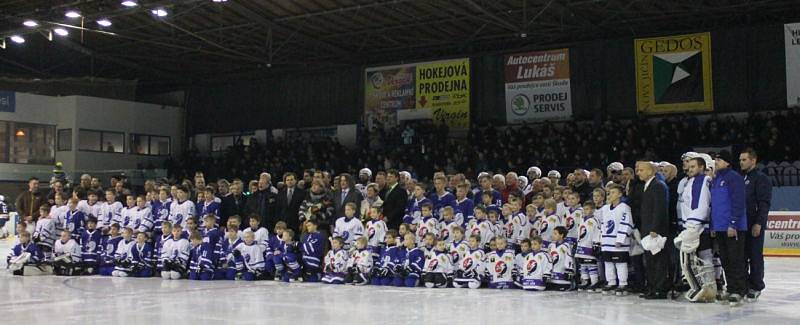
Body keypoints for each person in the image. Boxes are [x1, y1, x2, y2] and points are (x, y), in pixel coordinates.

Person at [675, 156, 716, 302]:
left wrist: (693, 225)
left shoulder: (702, 181)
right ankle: (704, 287)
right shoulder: (691, 182)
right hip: (692, 226)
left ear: (701, 167)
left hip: (698, 227)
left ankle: (709, 287)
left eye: (693, 166)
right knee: (697, 259)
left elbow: (702, 204)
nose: (690, 169)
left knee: (704, 257)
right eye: (689, 166)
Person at [711, 150, 748, 306]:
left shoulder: (734, 178)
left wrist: (733, 223)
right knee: (725, 260)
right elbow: (714, 205)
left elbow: (738, 202)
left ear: (727, 162)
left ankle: (740, 290)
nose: (716, 162)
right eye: (715, 160)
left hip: (733, 227)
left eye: (719, 160)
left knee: (736, 259)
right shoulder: (716, 179)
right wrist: (713, 225)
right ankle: (731, 288)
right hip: (719, 227)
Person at [739, 148, 771, 301]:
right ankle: (744, 284)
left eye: (744, 159)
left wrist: (759, 223)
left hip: (753, 223)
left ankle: (756, 286)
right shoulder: (740, 178)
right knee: (742, 256)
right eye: (740, 160)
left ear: (753, 160)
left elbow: (764, 203)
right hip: (741, 224)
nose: (741, 162)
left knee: (755, 256)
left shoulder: (761, 178)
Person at [636, 161, 671, 299]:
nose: (638, 172)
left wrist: (655, 228)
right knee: (650, 260)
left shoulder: (658, 185)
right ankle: (652, 287)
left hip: (655, 230)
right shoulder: (648, 185)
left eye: (641, 170)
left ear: (650, 171)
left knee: (658, 260)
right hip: (647, 228)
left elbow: (659, 209)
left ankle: (660, 289)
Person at [600, 184, 633, 296]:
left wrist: (620, 239)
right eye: (609, 193)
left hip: (618, 242)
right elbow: (603, 225)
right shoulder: (604, 209)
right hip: (606, 242)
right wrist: (601, 240)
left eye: (613, 192)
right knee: (608, 263)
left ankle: (623, 283)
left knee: (620, 263)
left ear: (620, 194)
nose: (610, 195)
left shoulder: (624, 207)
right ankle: (611, 282)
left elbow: (627, 223)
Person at [576, 201, 602, 292]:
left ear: (593, 210)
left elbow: (597, 233)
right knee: (583, 265)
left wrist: (596, 244)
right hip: (581, 247)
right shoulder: (582, 219)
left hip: (589, 247)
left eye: (587, 209)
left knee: (591, 265)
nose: (585, 211)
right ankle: (585, 282)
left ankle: (594, 282)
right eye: (584, 209)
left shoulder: (595, 221)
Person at [547, 226, 574, 291]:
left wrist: (569, 271)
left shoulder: (566, 246)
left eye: (555, 234)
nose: (553, 235)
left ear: (561, 235)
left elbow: (569, 259)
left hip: (562, 278)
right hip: (551, 279)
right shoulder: (551, 245)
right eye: (553, 233)